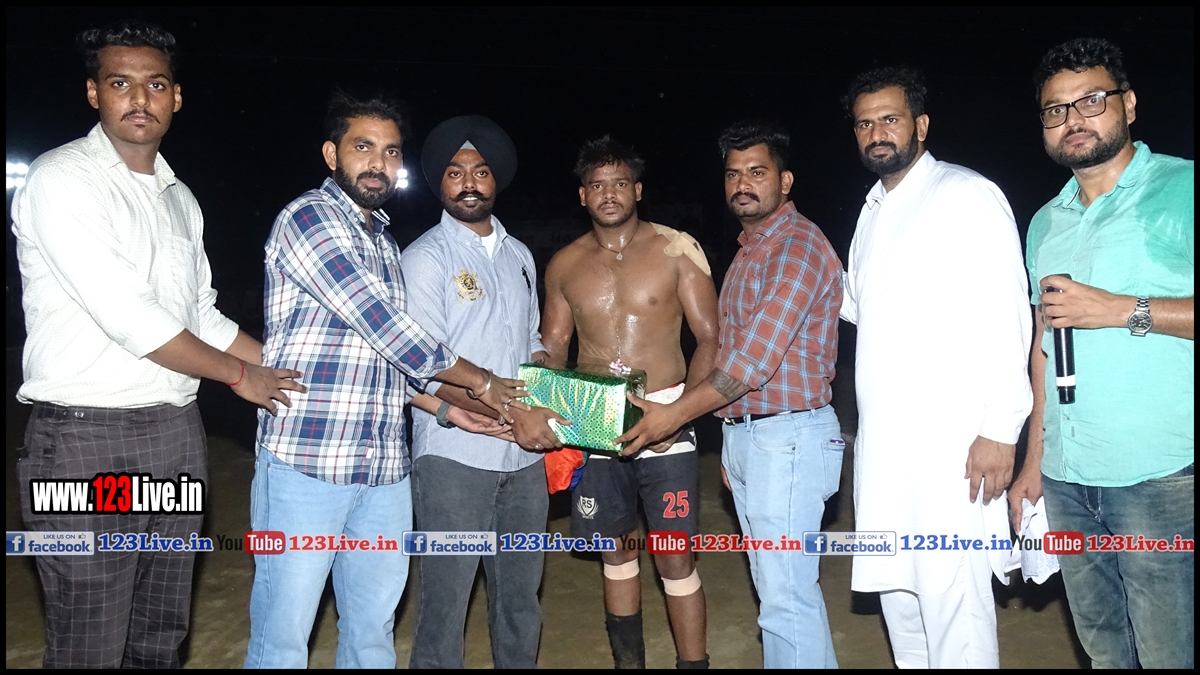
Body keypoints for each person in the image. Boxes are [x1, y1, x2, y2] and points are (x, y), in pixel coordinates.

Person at [11, 20, 305, 668]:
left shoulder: (180, 200)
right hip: (86, 443)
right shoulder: (62, 179)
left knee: (159, 632)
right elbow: (131, 317)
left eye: (156, 84)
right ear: (94, 93)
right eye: (121, 83)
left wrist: (293, 367)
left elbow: (201, 315)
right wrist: (239, 376)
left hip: (174, 436)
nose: (139, 98)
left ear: (177, 96)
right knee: (91, 637)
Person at [245, 96, 525, 669]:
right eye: (363, 147)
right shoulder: (309, 219)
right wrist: (481, 382)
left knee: (373, 632)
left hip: (383, 470)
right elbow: (382, 324)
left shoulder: (384, 242)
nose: (378, 162)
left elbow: (382, 364)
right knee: (283, 637)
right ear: (332, 154)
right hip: (309, 461)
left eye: (391, 151)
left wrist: (445, 409)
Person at [617, 121, 845, 669]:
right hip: (757, 438)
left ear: (785, 181)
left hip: (788, 437)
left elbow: (751, 363)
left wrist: (673, 415)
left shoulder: (797, 246)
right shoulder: (750, 251)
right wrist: (734, 438)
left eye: (757, 172)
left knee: (785, 599)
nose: (742, 183)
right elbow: (728, 353)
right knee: (780, 593)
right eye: (733, 173)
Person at [1008, 38, 1193, 669]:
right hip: (1066, 477)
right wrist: (1034, 461)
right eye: (1055, 110)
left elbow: (1107, 311)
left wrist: (1120, 309)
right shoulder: (1045, 222)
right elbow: (1043, 347)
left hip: (1161, 477)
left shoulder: (1183, 188)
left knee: (1170, 652)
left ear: (1129, 104)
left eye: (1091, 100)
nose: (1073, 119)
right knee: (1102, 647)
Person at [839, 67, 1032, 668]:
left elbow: (1009, 315)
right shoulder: (872, 210)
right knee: (901, 603)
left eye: (890, 119)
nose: (877, 133)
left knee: (955, 609)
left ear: (920, 125)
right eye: (864, 124)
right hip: (885, 455)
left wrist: (1000, 430)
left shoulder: (965, 194)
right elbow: (858, 311)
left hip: (953, 451)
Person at [540, 136, 719, 669]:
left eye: (620, 183)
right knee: (615, 552)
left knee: (674, 556)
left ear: (637, 190)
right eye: (597, 185)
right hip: (594, 419)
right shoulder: (564, 264)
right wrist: (549, 406)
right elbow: (554, 347)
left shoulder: (676, 249)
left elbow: (710, 337)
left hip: (665, 412)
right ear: (582, 195)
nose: (609, 193)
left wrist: (680, 414)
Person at [401, 114, 567, 669]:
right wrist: (516, 413)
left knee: (520, 601)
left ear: (496, 179)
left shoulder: (520, 255)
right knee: (445, 605)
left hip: (524, 458)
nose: (468, 182)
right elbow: (422, 365)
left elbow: (531, 343)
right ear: (439, 183)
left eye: (480, 171)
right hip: (454, 458)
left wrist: (564, 390)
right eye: (455, 172)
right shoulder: (424, 259)